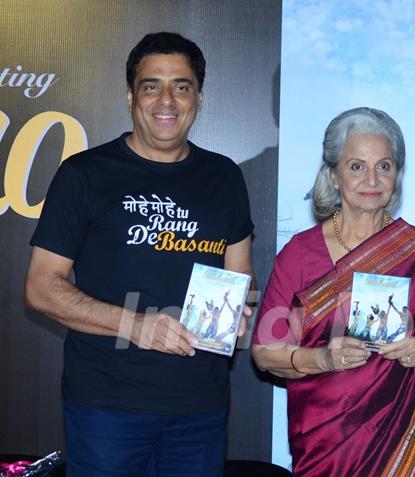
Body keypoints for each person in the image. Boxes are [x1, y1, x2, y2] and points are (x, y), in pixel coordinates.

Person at [24, 32, 253, 476]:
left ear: (199, 98)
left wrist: (239, 309)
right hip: (106, 409)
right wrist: (135, 326)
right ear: (131, 95)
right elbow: (40, 287)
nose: (166, 99)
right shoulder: (84, 174)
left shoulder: (224, 177)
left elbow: (241, 273)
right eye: (152, 85)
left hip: (200, 410)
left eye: (181, 86)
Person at [252, 107, 415, 476]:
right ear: (333, 174)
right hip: (325, 445)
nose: (372, 179)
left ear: (398, 174)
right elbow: (265, 353)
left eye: (385, 166)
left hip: (411, 449)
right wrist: (323, 360)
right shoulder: (300, 253)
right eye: (356, 166)